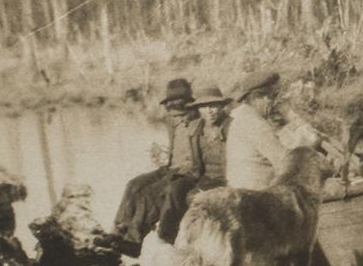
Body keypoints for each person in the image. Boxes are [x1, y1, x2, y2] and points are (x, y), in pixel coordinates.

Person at [113, 78, 198, 252]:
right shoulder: (171, 122)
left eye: (180, 113)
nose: (176, 117)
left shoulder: (198, 123)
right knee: (134, 184)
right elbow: (175, 150)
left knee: (151, 194)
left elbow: (196, 161)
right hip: (171, 167)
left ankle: (134, 239)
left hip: (185, 172)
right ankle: (119, 230)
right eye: (172, 112)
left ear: (189, 106)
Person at [155, 84, 232, 242]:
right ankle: (167, 237)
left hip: (227, 178)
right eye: (204, 107)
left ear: (222, 106)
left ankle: (192, 239)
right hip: (204, 177)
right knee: (176, 189)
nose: (209, 111)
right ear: (199, 109)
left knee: (192, 197)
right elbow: (196, 165)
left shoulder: (231, 126)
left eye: (213, 106)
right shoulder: (197, 129)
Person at [226, 71, 320, 190]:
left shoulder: (242, 117)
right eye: (272, 96)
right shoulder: (255, 124)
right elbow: (286, 161)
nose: (272, 102)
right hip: (257, 194)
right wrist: (310, 145)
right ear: (260, 97)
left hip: (242, 190)